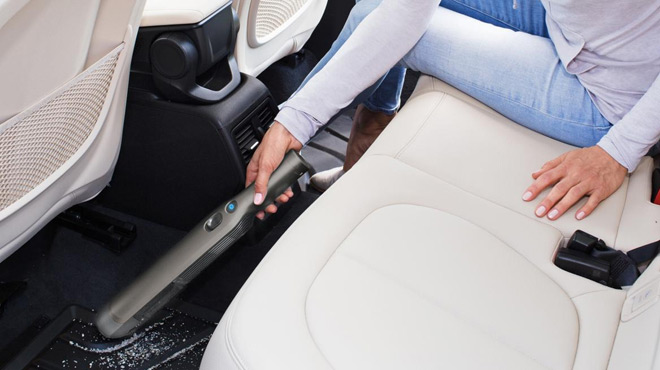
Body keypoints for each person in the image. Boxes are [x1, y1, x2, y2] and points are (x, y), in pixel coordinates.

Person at [246, 0, 660, 221]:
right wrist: (294, 121)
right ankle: (367, 139)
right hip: (566, 20)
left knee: (401, 32)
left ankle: (315, 162)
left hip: (608, 91)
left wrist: (617, 153)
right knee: (378, 4)